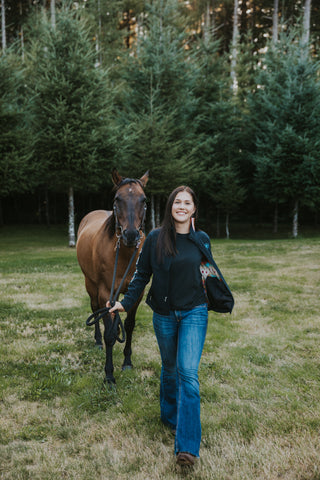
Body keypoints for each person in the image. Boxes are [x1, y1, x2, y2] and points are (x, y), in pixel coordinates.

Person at [108, 186, 234, 466]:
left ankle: (186, 447)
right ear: (170, 207)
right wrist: (124, 304)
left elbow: (206, 272)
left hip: (194, 312)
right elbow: (141, 275)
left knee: (188, 372)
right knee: (169, 368)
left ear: (194, 209)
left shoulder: (202, 239)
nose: (182, 206)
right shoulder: (154, 238)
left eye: (187, 202)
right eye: (177, 201)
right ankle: (169, 415)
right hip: (164, 314)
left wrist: (219, 295)